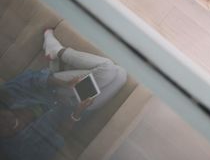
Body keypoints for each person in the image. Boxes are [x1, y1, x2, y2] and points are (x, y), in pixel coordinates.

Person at [0, 29, 127, 160]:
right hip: (74, 108)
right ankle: (57, 57)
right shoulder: (20, 152)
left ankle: (58, 52)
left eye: (1, 118)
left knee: (107, 69)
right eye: (2, 129)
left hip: (59, 88)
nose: (6, 122)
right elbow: (58, 137)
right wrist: (78, 112)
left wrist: (65, 84)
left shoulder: (6, 96)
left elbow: (32, 79)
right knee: (121, 74)